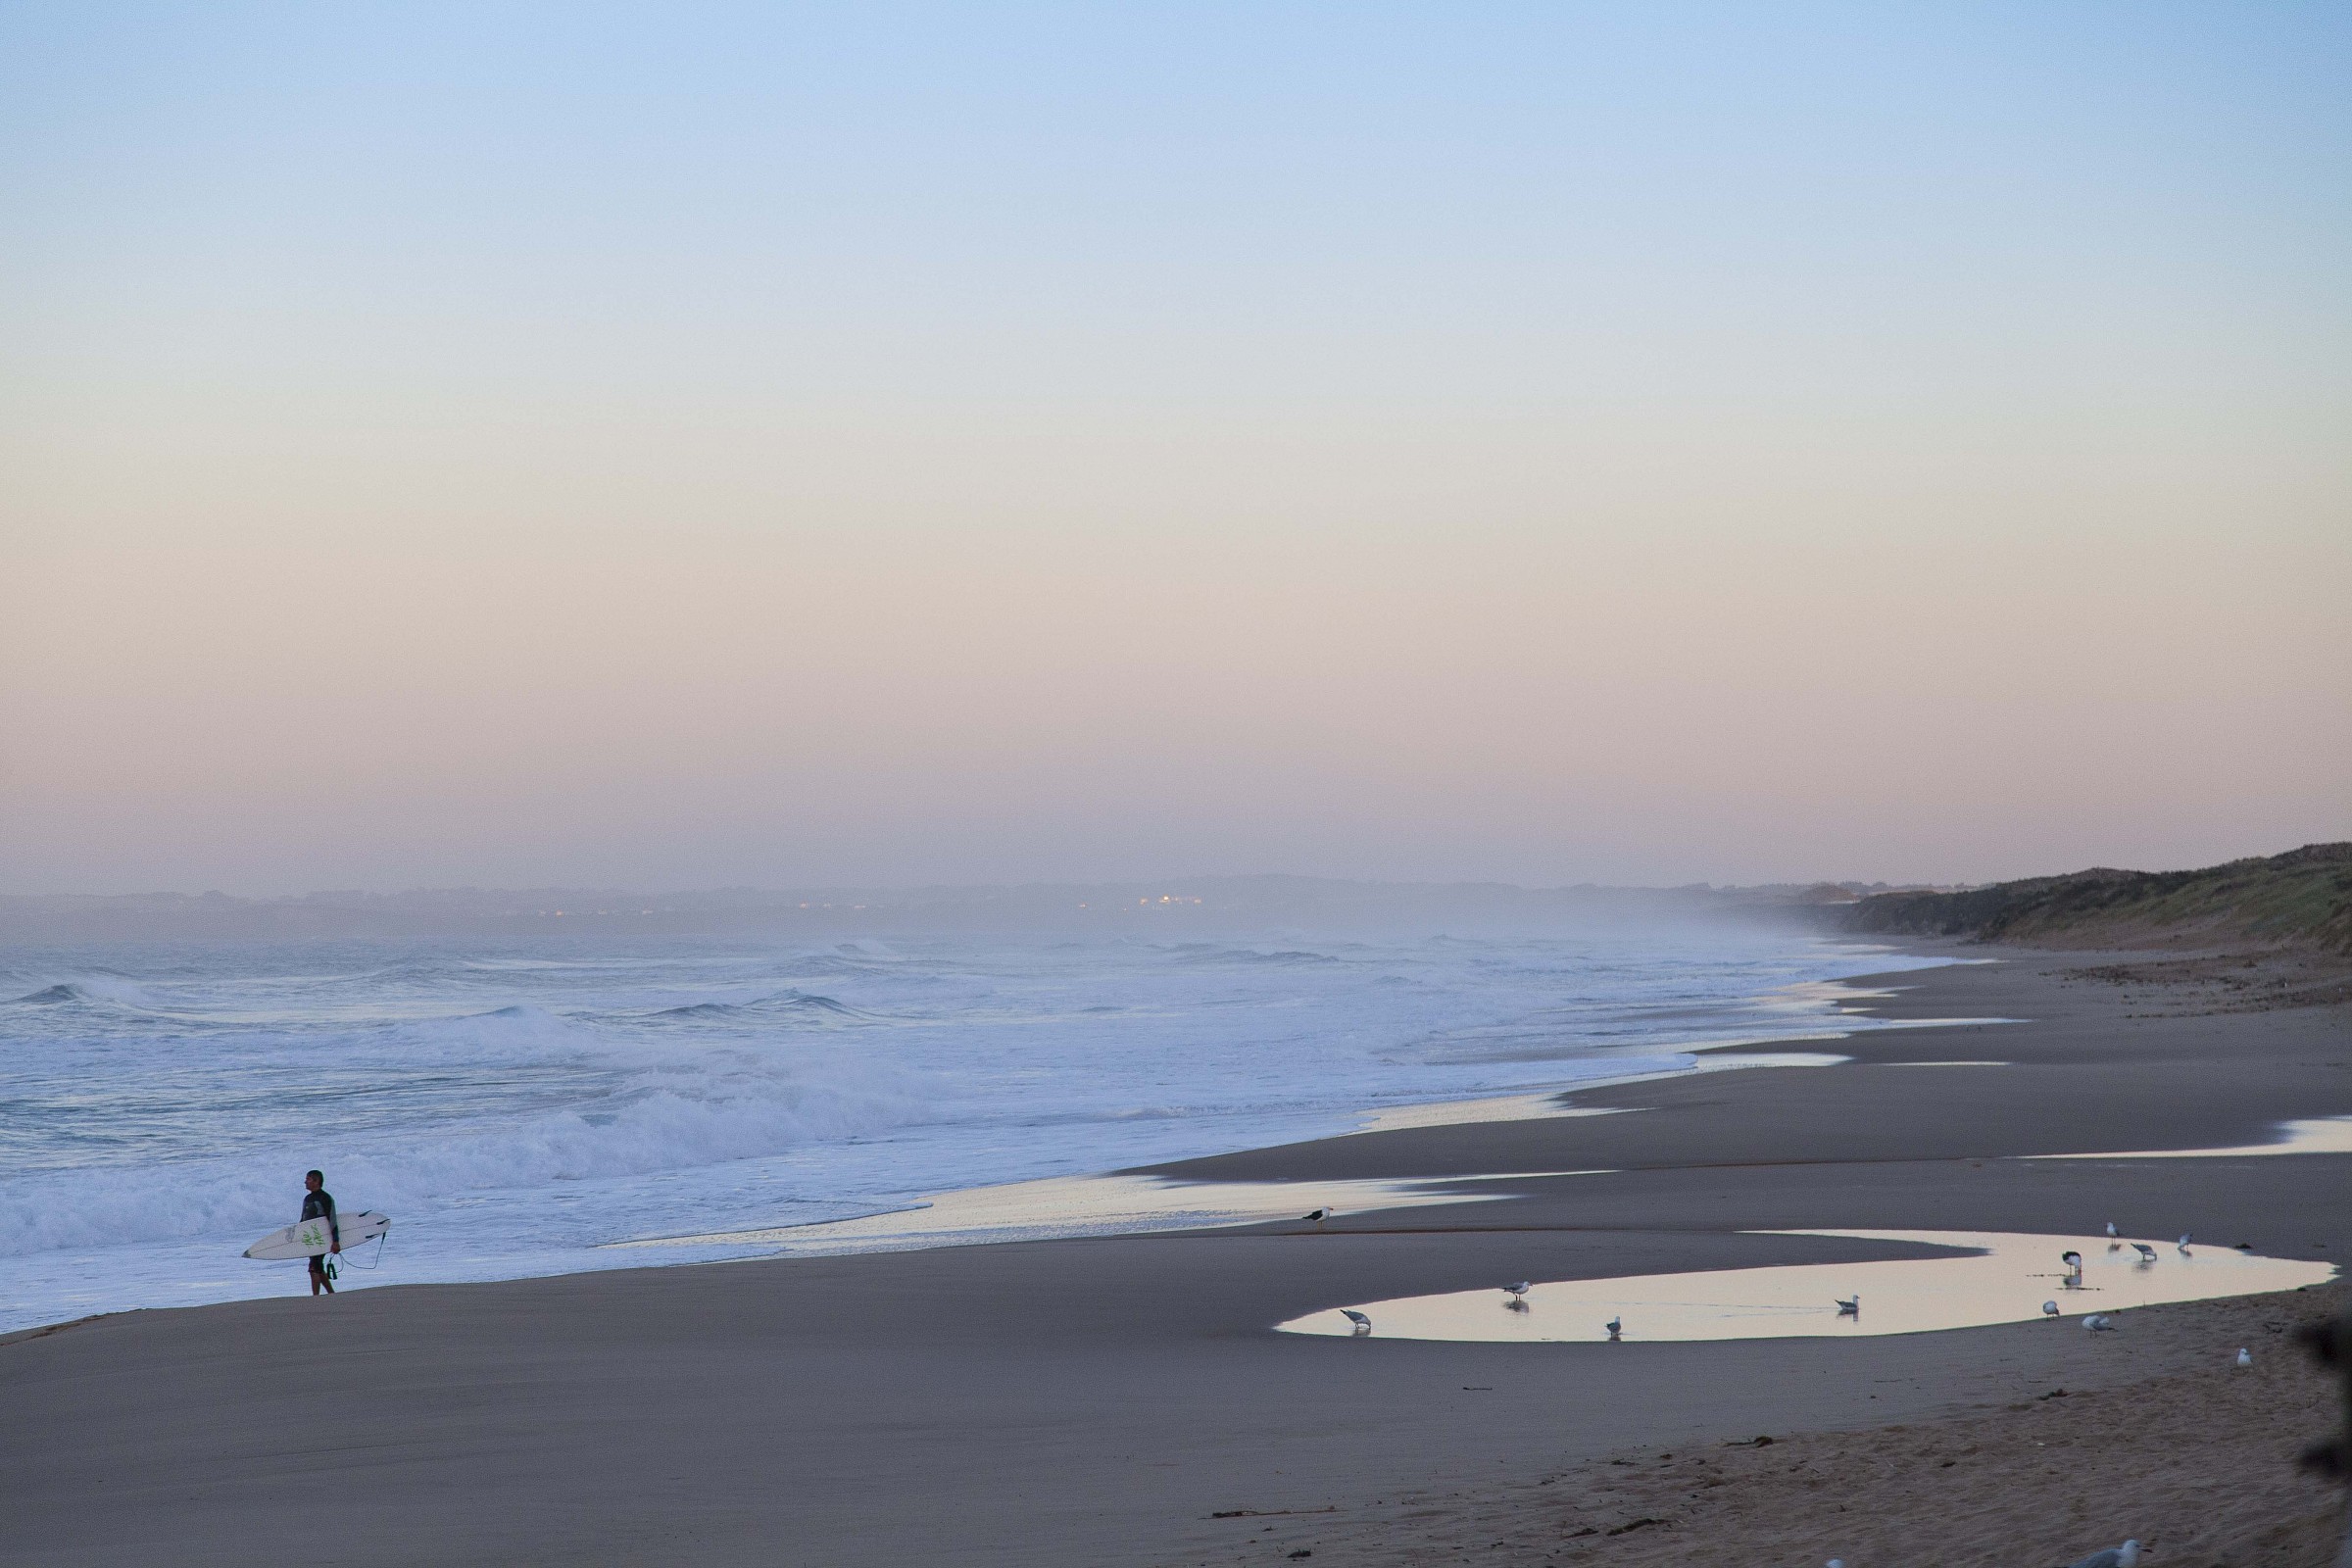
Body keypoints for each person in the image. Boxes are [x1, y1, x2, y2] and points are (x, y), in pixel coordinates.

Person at [301, 1169, 341, 1297]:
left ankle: (316, 1297)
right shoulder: (307, 1198)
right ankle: (331, 1293)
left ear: (316, 1181)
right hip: (310, 1238)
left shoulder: (326, 1198)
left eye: (308, 1179)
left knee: (313, 1267)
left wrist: (335, 1241)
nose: (305, 1182)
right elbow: (303, 1220)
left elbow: (332, 1220)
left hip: (322, 1238)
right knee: (317, 1266)